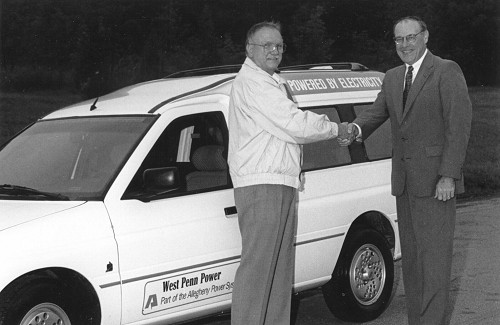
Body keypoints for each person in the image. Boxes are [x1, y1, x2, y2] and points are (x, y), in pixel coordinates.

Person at [341, 16, 472, 325]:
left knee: (434, 262)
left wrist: (449, 175)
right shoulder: (392, 77)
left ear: (425, 37)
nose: (405, 44)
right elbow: (375, 113)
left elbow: (458, 126)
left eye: (411, 37)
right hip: (404, 184)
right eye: (399, 40)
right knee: (413, 263)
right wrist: (355, 129)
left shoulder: (445, 70)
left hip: (436, 183)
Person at [228, 21, 350, 325]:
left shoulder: (271, 81)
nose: (274, 51)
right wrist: (337, 128)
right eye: (266, 45)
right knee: (259, 273)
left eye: (279, 45)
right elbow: (294, 124)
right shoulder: (253, 83)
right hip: (261, 185)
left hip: (277, 182)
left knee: (278, 272)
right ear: (249, 49)